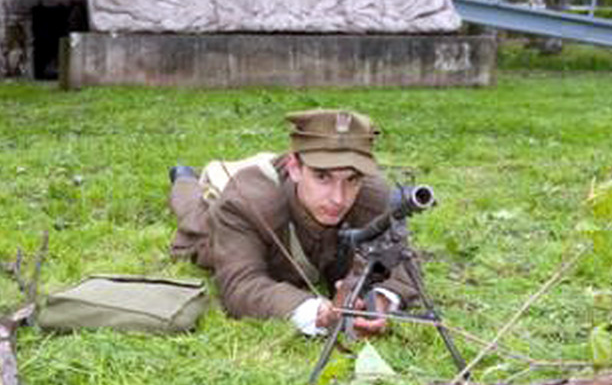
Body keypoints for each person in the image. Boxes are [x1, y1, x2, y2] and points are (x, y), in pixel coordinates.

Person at [168, 110, 422, 336]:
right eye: (323, 177)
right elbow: (240, 285)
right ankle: (183, 176)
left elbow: (401, 262)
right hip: (236, 206)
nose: (338, 198)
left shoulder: (374, 195)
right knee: (196, 215)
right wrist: (316, 312)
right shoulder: (246, 203)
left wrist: (381, 301)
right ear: (295, 167)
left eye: (352, 179)